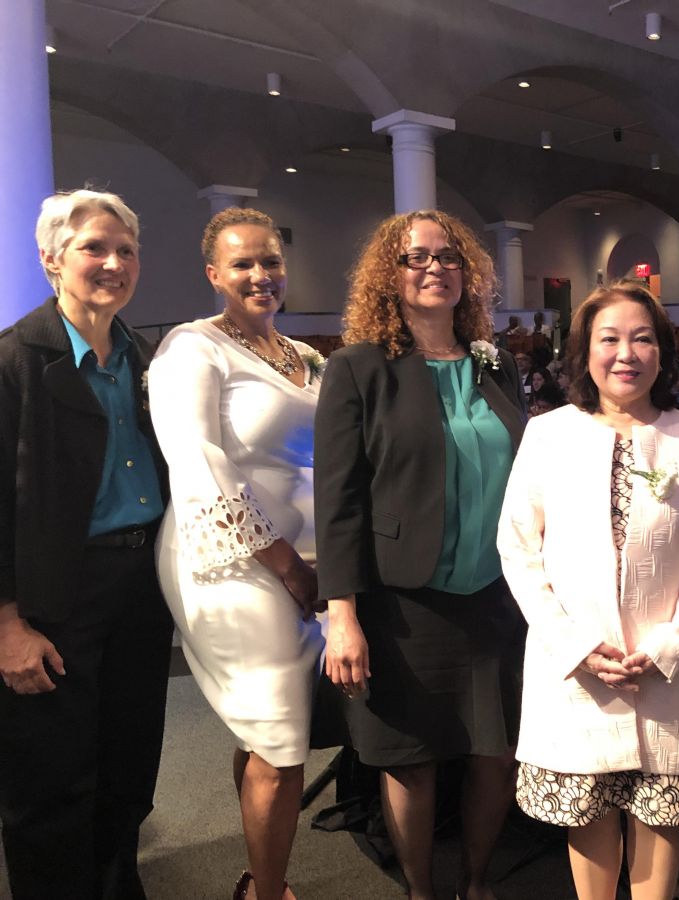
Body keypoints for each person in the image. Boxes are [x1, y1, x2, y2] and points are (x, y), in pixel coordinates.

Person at [499, 281, 679, 900]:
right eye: (609, 338)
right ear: (585, 352)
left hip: (667, 669)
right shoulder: (549, 434)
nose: (625, 353)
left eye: (642, 338)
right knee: (590, 815)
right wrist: (575, 645)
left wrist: (667, 646)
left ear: (662, 352)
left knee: (662, 812)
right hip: (578, 668)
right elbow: (518, 548)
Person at [315, 209, 526, 900]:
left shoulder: (497, 368)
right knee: (413, 761)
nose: (434, 268)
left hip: (496, 598)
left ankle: (475, 880)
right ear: (390, 276)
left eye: (447, 257)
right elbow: (338, 499)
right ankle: (420, 890)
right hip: (404, 602)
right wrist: (340, 613)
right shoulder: (359, 369)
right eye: (415, 259)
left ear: (467, 273)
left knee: (496, 753)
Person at [0, 189, 173, 899]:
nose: (113, 263)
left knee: (127, 768)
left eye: (125, 249)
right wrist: (5, 622)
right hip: (55, 594)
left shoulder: (150, 358)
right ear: (51, 259)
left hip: (141, 588)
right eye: (93, 248)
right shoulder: (15, 361)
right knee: (51, 781)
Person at [151, 207, 324, 900]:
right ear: (213, 274)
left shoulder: (301, 354)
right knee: (283, 740)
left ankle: (260, 871)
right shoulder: (192, 349)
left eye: (271, 261)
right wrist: (283, 562)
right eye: (243, 264)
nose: (261, 275)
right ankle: (268, 891)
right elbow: (198, 462)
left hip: (305, 559)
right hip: (232, 562)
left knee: (266, 727)